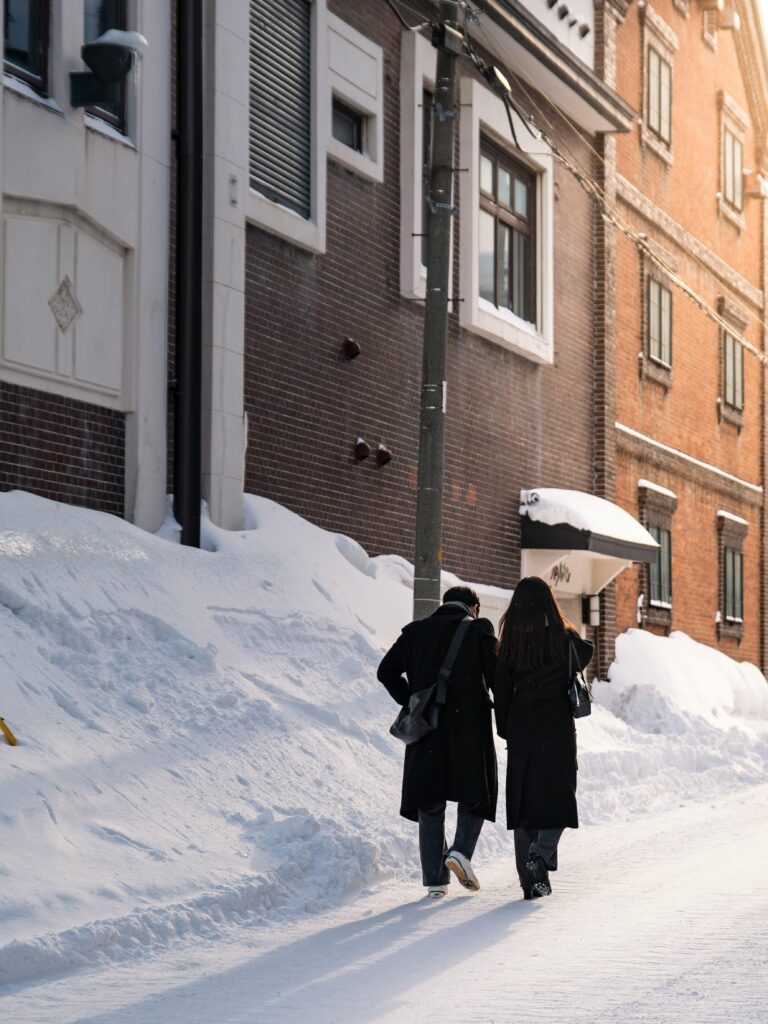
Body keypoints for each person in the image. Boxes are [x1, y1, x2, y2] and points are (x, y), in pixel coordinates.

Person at [377, 586, 497, 899]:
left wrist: (413, 701)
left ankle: (435, 881)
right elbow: (498, 677)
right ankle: (459, 852)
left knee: (430, 801)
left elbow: (385, 671)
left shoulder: (415, 632)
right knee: (475, 794)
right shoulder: (479, 630)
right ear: (474, 607)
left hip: (426, 728)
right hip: (469, 730)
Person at [493, 576, 593, 900]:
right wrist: (561, 629)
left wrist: (506, 726)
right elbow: (585, 653)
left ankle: (530, 881)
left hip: (522, 722)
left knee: (524, 802)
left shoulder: (510, 642)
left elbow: (501, 686)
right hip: (555, 725)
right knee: (560, 796)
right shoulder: (562, 638)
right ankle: (541, 853)